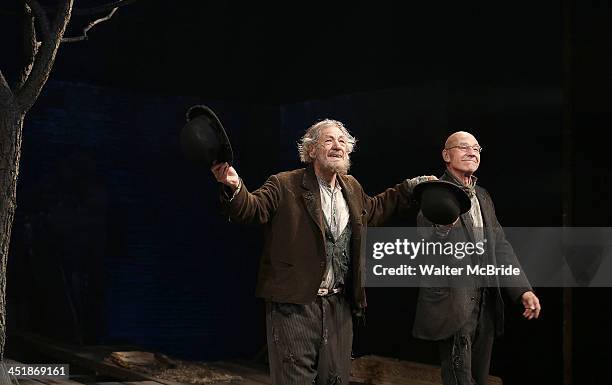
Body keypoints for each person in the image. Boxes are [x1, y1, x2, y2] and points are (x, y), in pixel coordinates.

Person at [211, 119, 430, 385]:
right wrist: (235, 187)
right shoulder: (284, 184)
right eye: (329, 140)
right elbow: (253, 208)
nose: (337, 146)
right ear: (312, 150)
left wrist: (410, 188)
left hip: (339, 305)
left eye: (342, 142)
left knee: (335, 379)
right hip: (295, 306)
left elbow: (373, 210)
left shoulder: (352, 188)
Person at [412, 131, 541, 385]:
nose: (472, 152)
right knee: (460, 379)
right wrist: (443, 229)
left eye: (477, 148)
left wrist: (522, 290)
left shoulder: (482, 196)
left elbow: (500, 246)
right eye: (464, 147)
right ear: (446, 155)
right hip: (453, 303)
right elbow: (426, 247)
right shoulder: (435, 191)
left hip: (485, 303)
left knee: (479, 379)